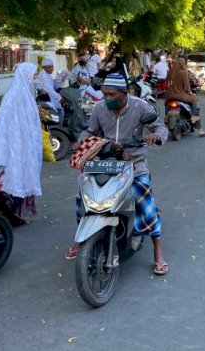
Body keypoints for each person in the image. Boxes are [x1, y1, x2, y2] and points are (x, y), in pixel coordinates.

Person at [66, 74, 169, 275]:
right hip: (104, 163)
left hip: (133, 164)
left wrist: (157, 136)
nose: (107, 98)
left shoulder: (140, 106)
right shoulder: (99, 108)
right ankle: (82, 238)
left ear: (124, 93)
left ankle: (158, 250)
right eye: (105, 94)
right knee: (83, 199)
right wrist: (82, 140)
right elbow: (90, 130)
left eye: (112, 94)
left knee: (145, 204)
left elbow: (160, 126)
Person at [0, 63, 43, 222]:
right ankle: (8, 214)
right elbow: (6, 124)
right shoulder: (13, 95)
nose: (36, 78)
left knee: (25, 174)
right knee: (15, 175)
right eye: (34, 74)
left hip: (25, 143)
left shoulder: (26, 94)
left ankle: (19, 213)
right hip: (14, 145)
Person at [165, 57, 205, 137]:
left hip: (170, 95)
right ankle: (194, 117)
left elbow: (167, 83)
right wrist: (190, 92)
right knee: (195, 99)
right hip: (180, 95)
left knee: (167, 104)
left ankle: (166, 117)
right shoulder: (183, 72)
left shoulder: (169, 71)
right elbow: (187, 86)